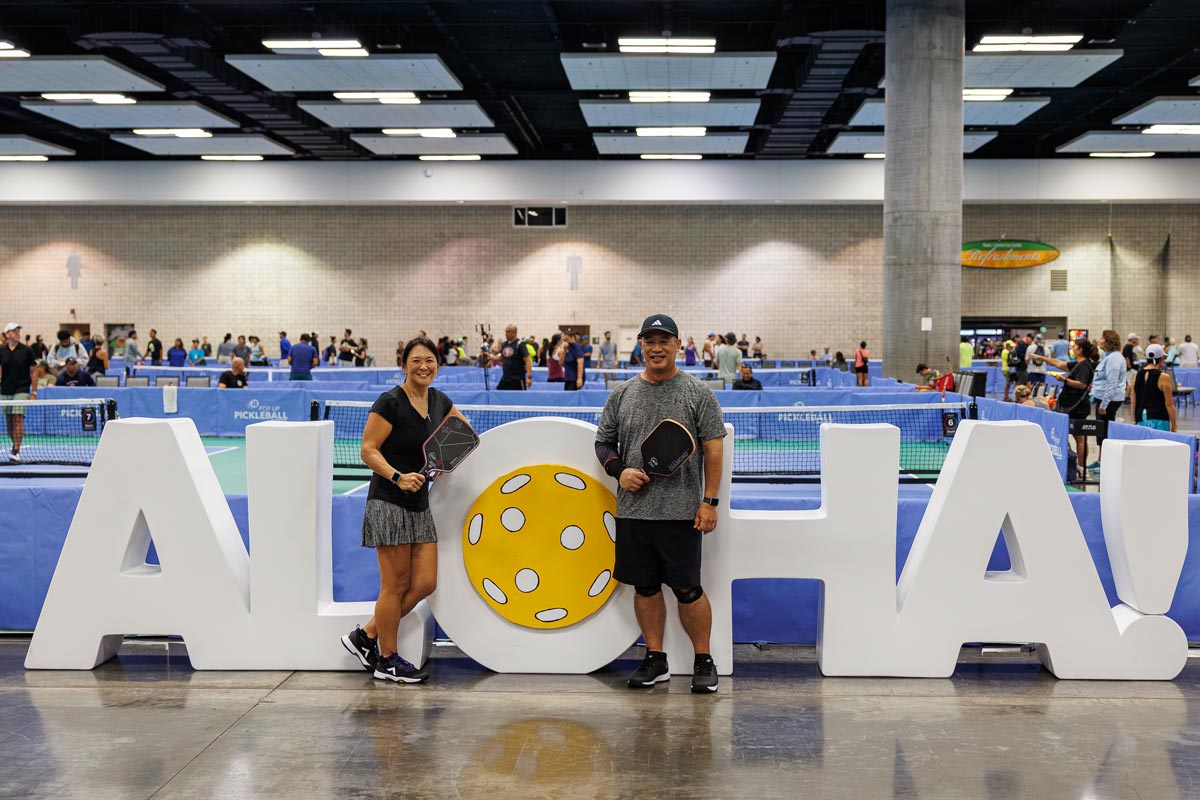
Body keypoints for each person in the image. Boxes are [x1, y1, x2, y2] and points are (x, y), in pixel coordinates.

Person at [594, 314, 726, 693]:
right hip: (633, 512)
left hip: (682, 512)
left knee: (689, 589)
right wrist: (619, 471)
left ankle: (703, 659)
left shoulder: (698, 393)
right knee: (646, 589)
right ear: (640, 345)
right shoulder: (621, 394)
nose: (656, 347)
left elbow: (713, 449)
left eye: (663, 341)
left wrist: (709, 501)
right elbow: (603, 442)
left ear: (677, 345)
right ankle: (656, 659)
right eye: (649, 341)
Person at [340, 336, 471, 683]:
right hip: (389, 500)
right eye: (416, 361)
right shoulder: (390, 402)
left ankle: (365, 635)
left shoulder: (440, 401)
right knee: (394, 586)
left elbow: (465, 433)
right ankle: (387, 659)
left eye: (429, 360)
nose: (423, 366)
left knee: (425, 582)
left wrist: (445, 459)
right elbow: (368, 450)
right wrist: (397, 477)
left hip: (419, 503)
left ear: (438, 365)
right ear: (404, 365)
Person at [1045, 338, 1097, 477]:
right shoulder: (1077, 364)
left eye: (1074, 347)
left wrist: (1064, 380)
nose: (1072, 349)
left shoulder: (1084, 365)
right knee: (1073, 436)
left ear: (1080, 349)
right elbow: (1058, 363)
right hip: (1068, 405)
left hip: (1077, 407)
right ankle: (1073, 465)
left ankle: (1081, 467)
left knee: (1079, 437)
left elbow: (1082, 384)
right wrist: (1040, 357)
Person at [1089, 329, 1128, 473]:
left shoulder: (1114, 359)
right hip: (1103, 398)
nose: (1099, 340)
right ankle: (1100, 460)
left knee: (1105, 431)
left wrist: (1104, 404)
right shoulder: (1108, 356)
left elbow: (1112, 382)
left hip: (1109, 400)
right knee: (1100, 430)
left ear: (1109, 341)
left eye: (1101, 338)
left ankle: (1105, 462)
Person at [0, 323, 37, 462]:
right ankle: (14, 446)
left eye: (18, 331)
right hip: (5, 389)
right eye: (14, 331)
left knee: (17, 418)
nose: (17, 333)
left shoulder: (27, 351)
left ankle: (16, 449)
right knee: (9, 421)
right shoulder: (2, 351)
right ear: (7, 334)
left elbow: (34, 372)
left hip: (21, 389)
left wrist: (34, 392)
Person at [1131, 343, 1176, 432]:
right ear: (1161, 359)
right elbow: (1169, 403)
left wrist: (1135, 420)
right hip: (1159, 418)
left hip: (1140, 418)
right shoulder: (1164, 377)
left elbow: (1133, 401)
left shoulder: (1137, 375)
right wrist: (1174, 425)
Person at [489, 324, 531, 390]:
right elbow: (502, 358)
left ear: (514, 333)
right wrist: (491, 357)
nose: (506, 334)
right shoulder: (504, 344)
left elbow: (527, 360)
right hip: (505, 378)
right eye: (506, 332)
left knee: (519, 398)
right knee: (498, 395)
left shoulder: (520, 344)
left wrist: (529, 377)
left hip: (518, 379)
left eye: (508, 332)